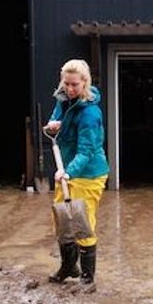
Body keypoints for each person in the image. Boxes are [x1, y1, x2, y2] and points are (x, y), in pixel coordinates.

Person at [44, 59, 109, 289]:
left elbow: (87, 150)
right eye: (67, 83)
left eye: (75, 85)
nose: (70, 89)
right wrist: (54, 124)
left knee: (82, 221)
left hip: (89, 173)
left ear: (85, 83)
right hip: (68, 169)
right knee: (62, 218)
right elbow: (58, 118)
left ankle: (88, 277)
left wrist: (68, 173)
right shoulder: (62, 99)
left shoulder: (90, 114)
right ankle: (69, 266)